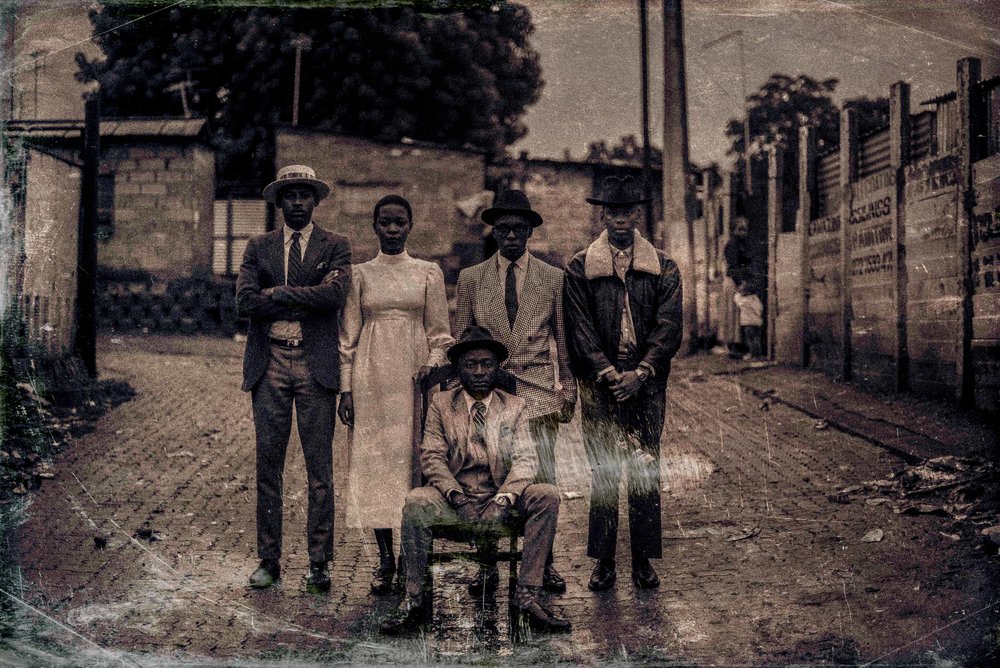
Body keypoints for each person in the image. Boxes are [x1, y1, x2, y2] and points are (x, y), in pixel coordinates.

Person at [380, 326, 571, 635]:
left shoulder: (515, 406)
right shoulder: (442, 404)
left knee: (547, 495)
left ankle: (527, 596)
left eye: (486, 364)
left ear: (497, 368)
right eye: (471, 365)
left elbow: (526, 459)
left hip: (500, 497)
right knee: (415, 502)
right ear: (459, 369)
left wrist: (503, 499)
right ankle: (413, 599)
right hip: (455, 499)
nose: (479, 372)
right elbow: (432, 457)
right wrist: (457, 497)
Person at [453, 189, 575, 596]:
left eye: (518, 229)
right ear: (493, 231)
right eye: (503, 229)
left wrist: (567, 387)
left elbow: (563, 339)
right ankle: (486, 564)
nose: (510, 236)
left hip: (537, 390)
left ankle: (544, 564)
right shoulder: (472, 279)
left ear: (529, 232)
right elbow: (461, 341)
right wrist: (460, 394)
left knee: (543, 478)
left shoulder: (553, 278)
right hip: (487, 391)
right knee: (485, 477)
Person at [563, 175, 683, 592]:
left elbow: (669, 326)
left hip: (646, 381)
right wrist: (607, 371)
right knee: (604, 470)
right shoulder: (580, 266)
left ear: (637, 215)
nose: (619, 219)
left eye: (627, 211)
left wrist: (642, 371)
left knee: (644, 467)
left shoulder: (663, 266)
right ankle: (604, 561)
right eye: (612, 212)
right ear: (602, 216)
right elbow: (579, 327)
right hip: (601, 381)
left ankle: (643, 560)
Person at [236, 165, 352, 592]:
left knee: (319, 470)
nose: (298, 202)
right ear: (279, 202)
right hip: (269, 362)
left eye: (305, 195)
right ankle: (269, 561)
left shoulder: (336, 245)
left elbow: (334, 295)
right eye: (290, 195)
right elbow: (245, 301)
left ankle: (319, 563)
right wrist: (306, 298)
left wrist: (279, 294)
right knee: (269, 467)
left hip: (315, 364)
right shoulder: (259, 246)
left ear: (315, 200)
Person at [337, 194, 454, 594]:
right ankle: (385, 559)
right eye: (384, 222)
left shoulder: (427, 273)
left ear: (410, 226)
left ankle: (410, 558)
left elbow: (440, 335)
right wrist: (347, 389)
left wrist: (431, 365)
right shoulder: (360, 275)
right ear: (374, 226)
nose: (392, 229)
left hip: (413, 382)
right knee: (376, 468)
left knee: (412, 465)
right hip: (372, 380)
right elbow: (348, 339)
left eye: (399, 222)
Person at [722, 218, 752, 357]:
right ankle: (732, 345)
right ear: (733, 230)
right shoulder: (732, 245)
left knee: (739, 313)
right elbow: (733, 266)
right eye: (740, 229)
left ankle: (738, 344)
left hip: (739, 280)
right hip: (733, 281)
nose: (743, 232)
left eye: (745, 229)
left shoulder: (742, 244)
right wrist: (740, 282)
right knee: (732, 312)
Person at [734, 280, 764, 360]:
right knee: (756, 338)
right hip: (756, 321)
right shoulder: (755, 299)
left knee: (750, 339)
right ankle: (757, 354)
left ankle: (754, 354)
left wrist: (737, 292)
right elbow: (760, 308)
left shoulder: (743, 300)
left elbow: (737, 299)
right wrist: (757, 314)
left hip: (748, 322)